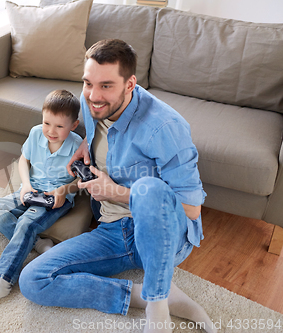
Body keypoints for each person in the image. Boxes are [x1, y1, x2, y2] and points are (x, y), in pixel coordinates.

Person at [18, 40, 216, 333]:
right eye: (88, 83)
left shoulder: (165, 127)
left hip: (163, 234)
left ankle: (158, 306)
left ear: (130, 84)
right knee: (33, 279)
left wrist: (115, 192)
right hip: (112, 230)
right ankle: (150, 295)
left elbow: (190, 208)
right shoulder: (90, 102)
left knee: (150, 188)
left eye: (106, 86)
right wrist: (87, 145)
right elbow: (101, 128)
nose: (94, 95)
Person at [0, 89, 83, 307]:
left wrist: (64, 191)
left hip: (54, 198)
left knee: (27, 222)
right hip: (30, 190)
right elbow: (23, 160)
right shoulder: (36, 133)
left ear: (73, 125)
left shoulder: (78, 145)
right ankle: (38, 243)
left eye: (59, 126)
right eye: (47, 123)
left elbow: (82, 182)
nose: (51, 131)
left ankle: (2, 280)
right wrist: (26, 185)